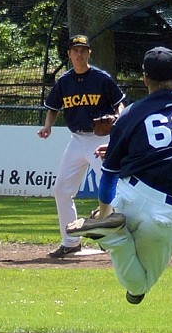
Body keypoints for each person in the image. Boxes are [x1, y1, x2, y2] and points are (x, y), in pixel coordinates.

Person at [66, 46, 172, 304]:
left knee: (109, 232)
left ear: (145, 79)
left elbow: (109, 174)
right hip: (165, 210)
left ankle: (108, 229)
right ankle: (114, 236)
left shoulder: (131, 113)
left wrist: (105, 211)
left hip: (129, 194)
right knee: (138, 288)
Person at [38, 35, 126, 258]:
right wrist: (48, 126)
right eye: (75, 50)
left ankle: (116, 239)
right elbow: (53, 108)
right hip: (77, 140)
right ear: (69, 54)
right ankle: (70, 242)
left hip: (101, 139)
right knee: (61, 190)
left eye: (83, 50)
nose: (79, 54)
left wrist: (119, 119)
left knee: (113, 189)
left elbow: (119, 104)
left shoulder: (101, 78)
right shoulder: (64, 82)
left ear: (89, 53)